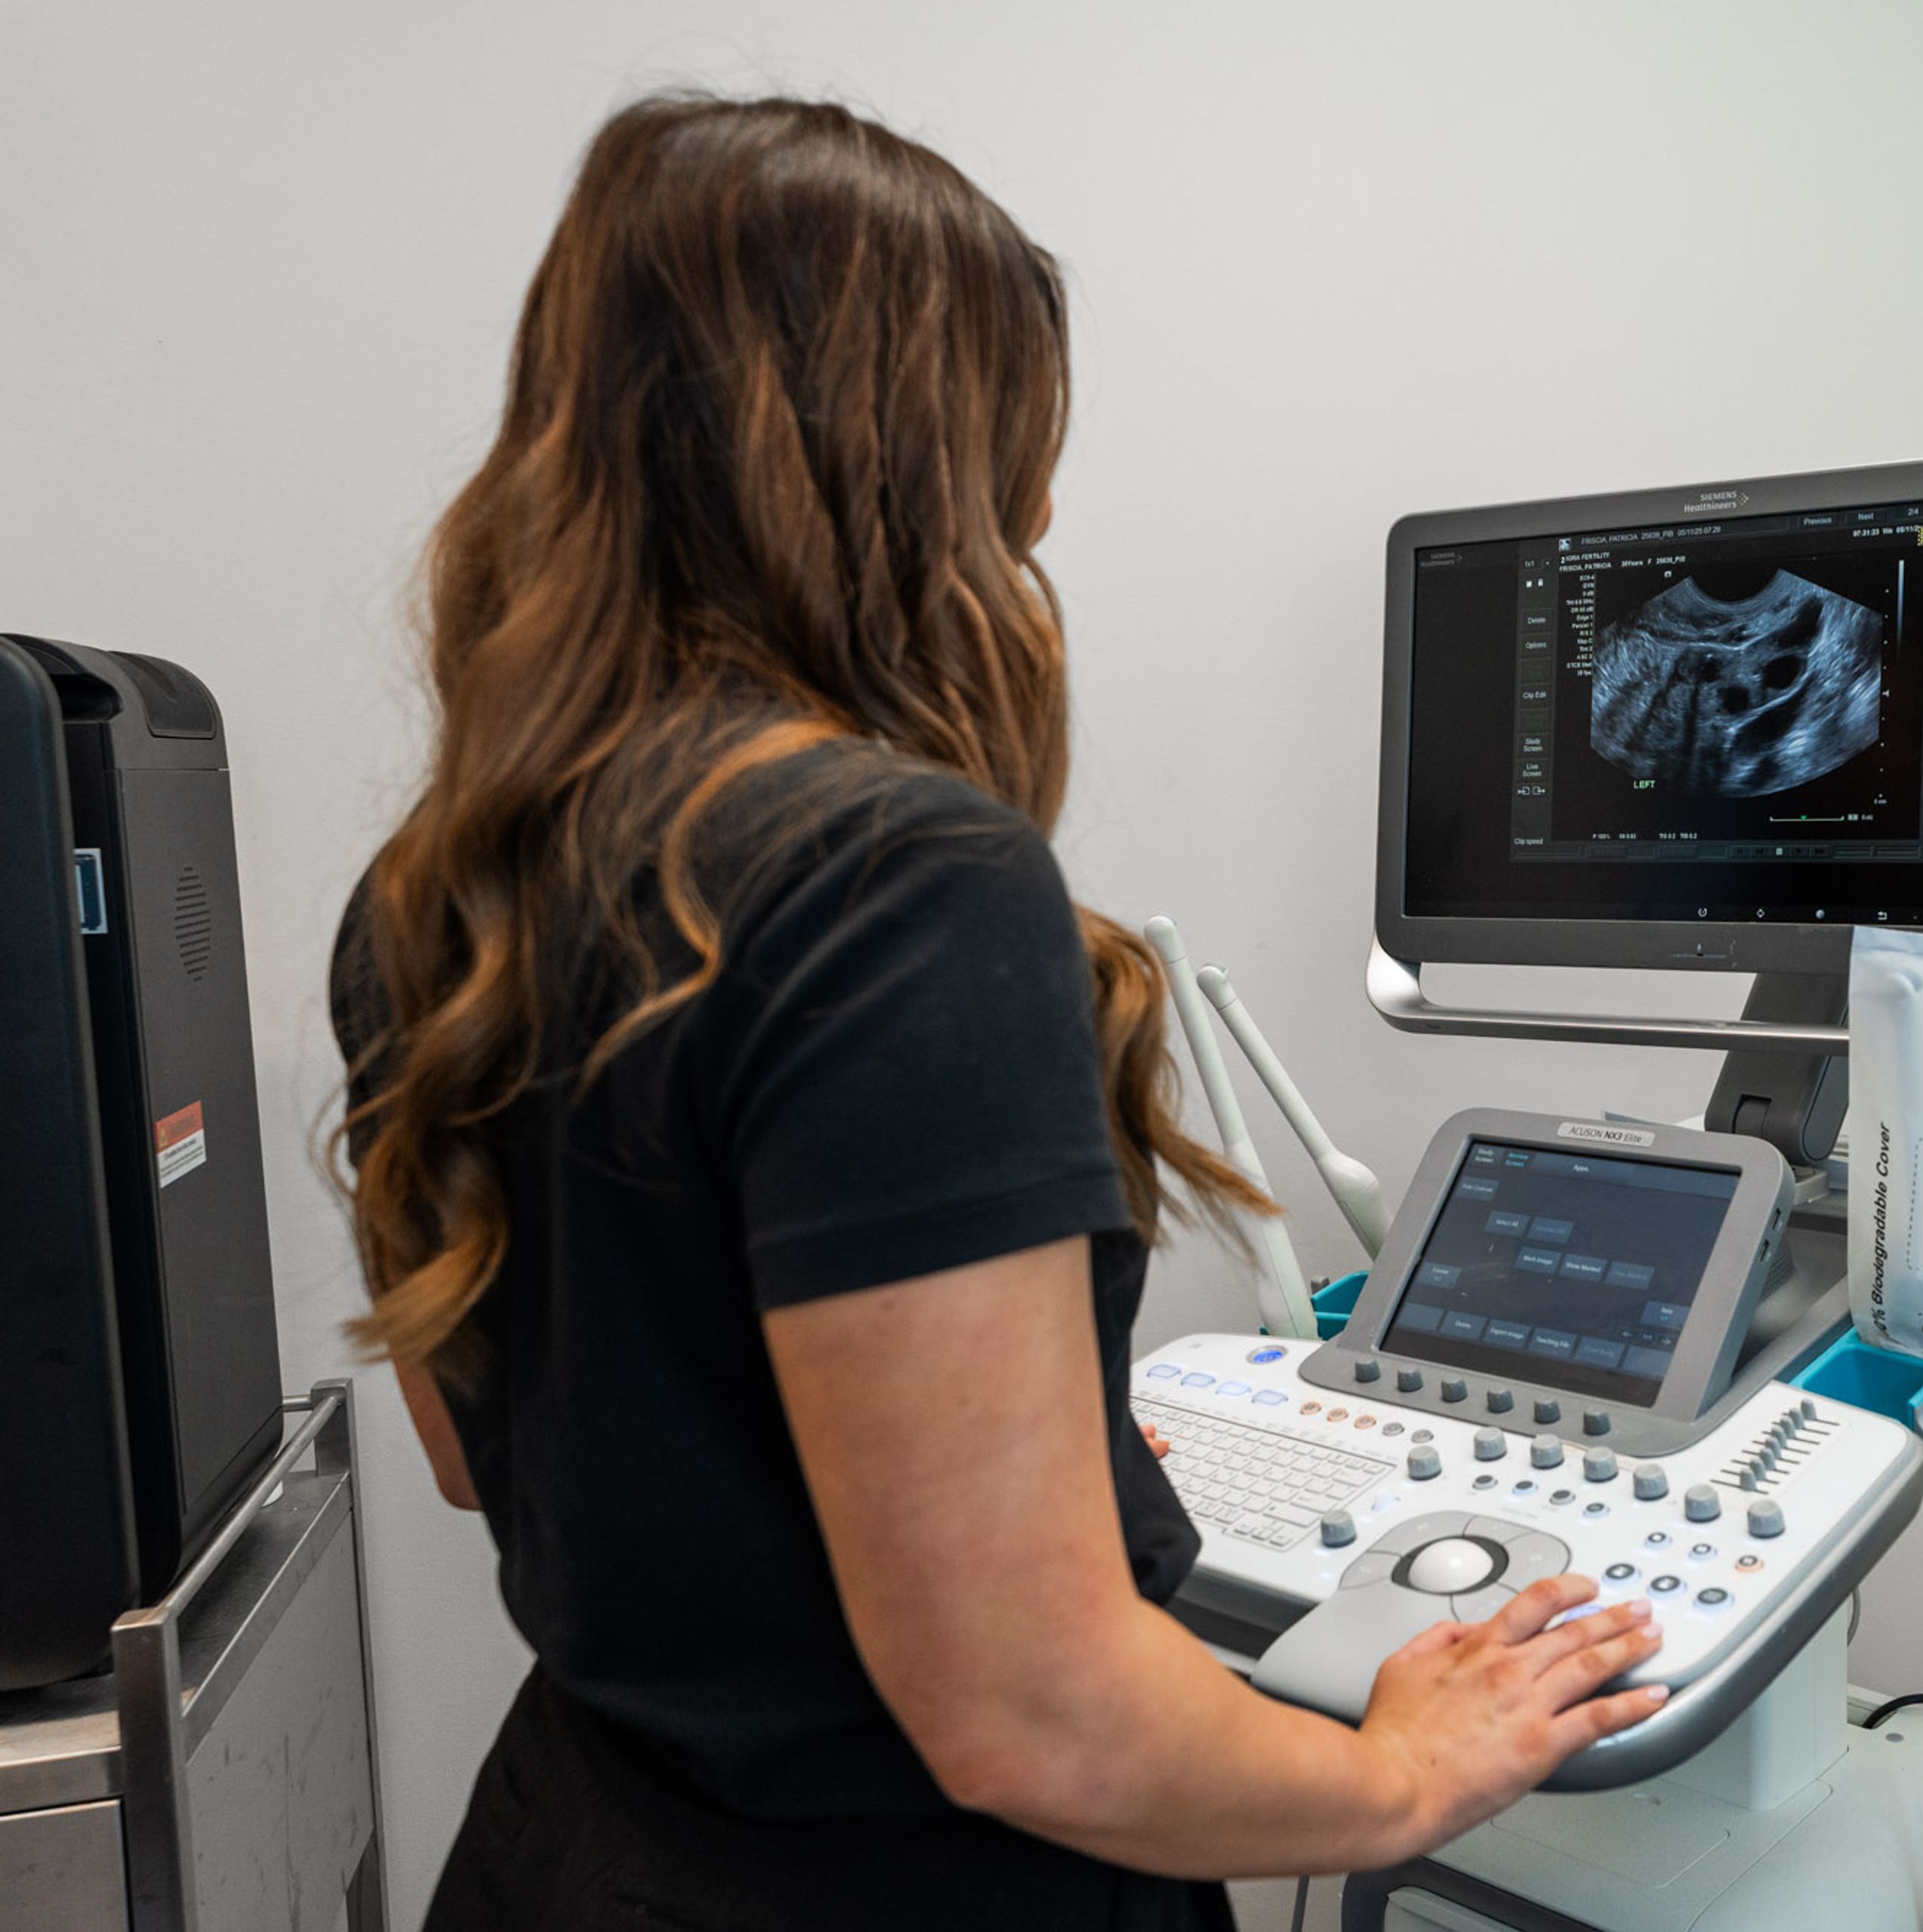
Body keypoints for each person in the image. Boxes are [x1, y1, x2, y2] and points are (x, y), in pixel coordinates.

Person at [330, 94, 1666, 1931]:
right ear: (918, 465)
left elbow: (499, 1452)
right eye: (1019, 453)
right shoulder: (892, 881)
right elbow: (1032, 1716)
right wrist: (1406, 1769)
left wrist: (1026, 1469)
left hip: (580, 1851)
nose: (1037, 515)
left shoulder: (437, 896)